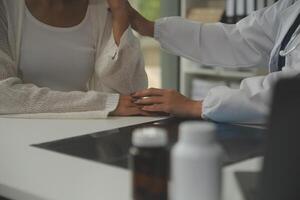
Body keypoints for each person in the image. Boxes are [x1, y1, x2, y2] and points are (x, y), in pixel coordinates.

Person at [128, 0, 300, 124]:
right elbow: (234, 39)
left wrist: (195, 106)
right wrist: (148, 27)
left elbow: (292, 91)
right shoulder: (290, 7)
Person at [0, 0, 148, 118]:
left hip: (79, 138)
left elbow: (131, 97)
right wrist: (102, 104)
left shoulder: (101, 8)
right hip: (17, 142)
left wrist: (120, 14)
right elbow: (4, 96)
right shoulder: (6, 7)